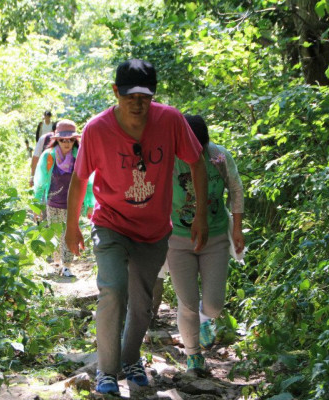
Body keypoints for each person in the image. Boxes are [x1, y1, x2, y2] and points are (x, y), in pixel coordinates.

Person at [65, 59, 209, 395]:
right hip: (110, 223)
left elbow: (197, 162)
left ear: (153, 96)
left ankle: (131, 360)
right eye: (130, 96)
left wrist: (201, 215)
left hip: (154, 230)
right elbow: (79, 180)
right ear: (116, 92)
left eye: (145, 96)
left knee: (142, 303)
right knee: (113, 289)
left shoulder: (170, 120)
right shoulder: (97, 129)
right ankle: (106, 371)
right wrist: (70, 227)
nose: (137, 103)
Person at [165, 114, 245, 376]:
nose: (194, 154)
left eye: (199, 148)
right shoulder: (168, 159)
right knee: (186, 302)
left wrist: (237, 227)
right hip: (177, 238)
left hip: (215, 236)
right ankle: (193, 355)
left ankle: (204, 320)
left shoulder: (219, 157)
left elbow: (235, 188)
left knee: (214, 305)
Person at [33, 119, 94, 277]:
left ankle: (67, 265)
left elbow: (88, 182)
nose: (66, 144)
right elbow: (39, 182)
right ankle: (57, 262)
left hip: (73, 203)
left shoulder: (79, 157)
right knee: (55, 232)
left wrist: (89, 203)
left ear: (75, 140)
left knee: (70, 231)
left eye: (70, 140)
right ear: (56, 140)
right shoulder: (48, 157)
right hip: (53, 201)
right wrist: (37, 204)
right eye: (62, 140)